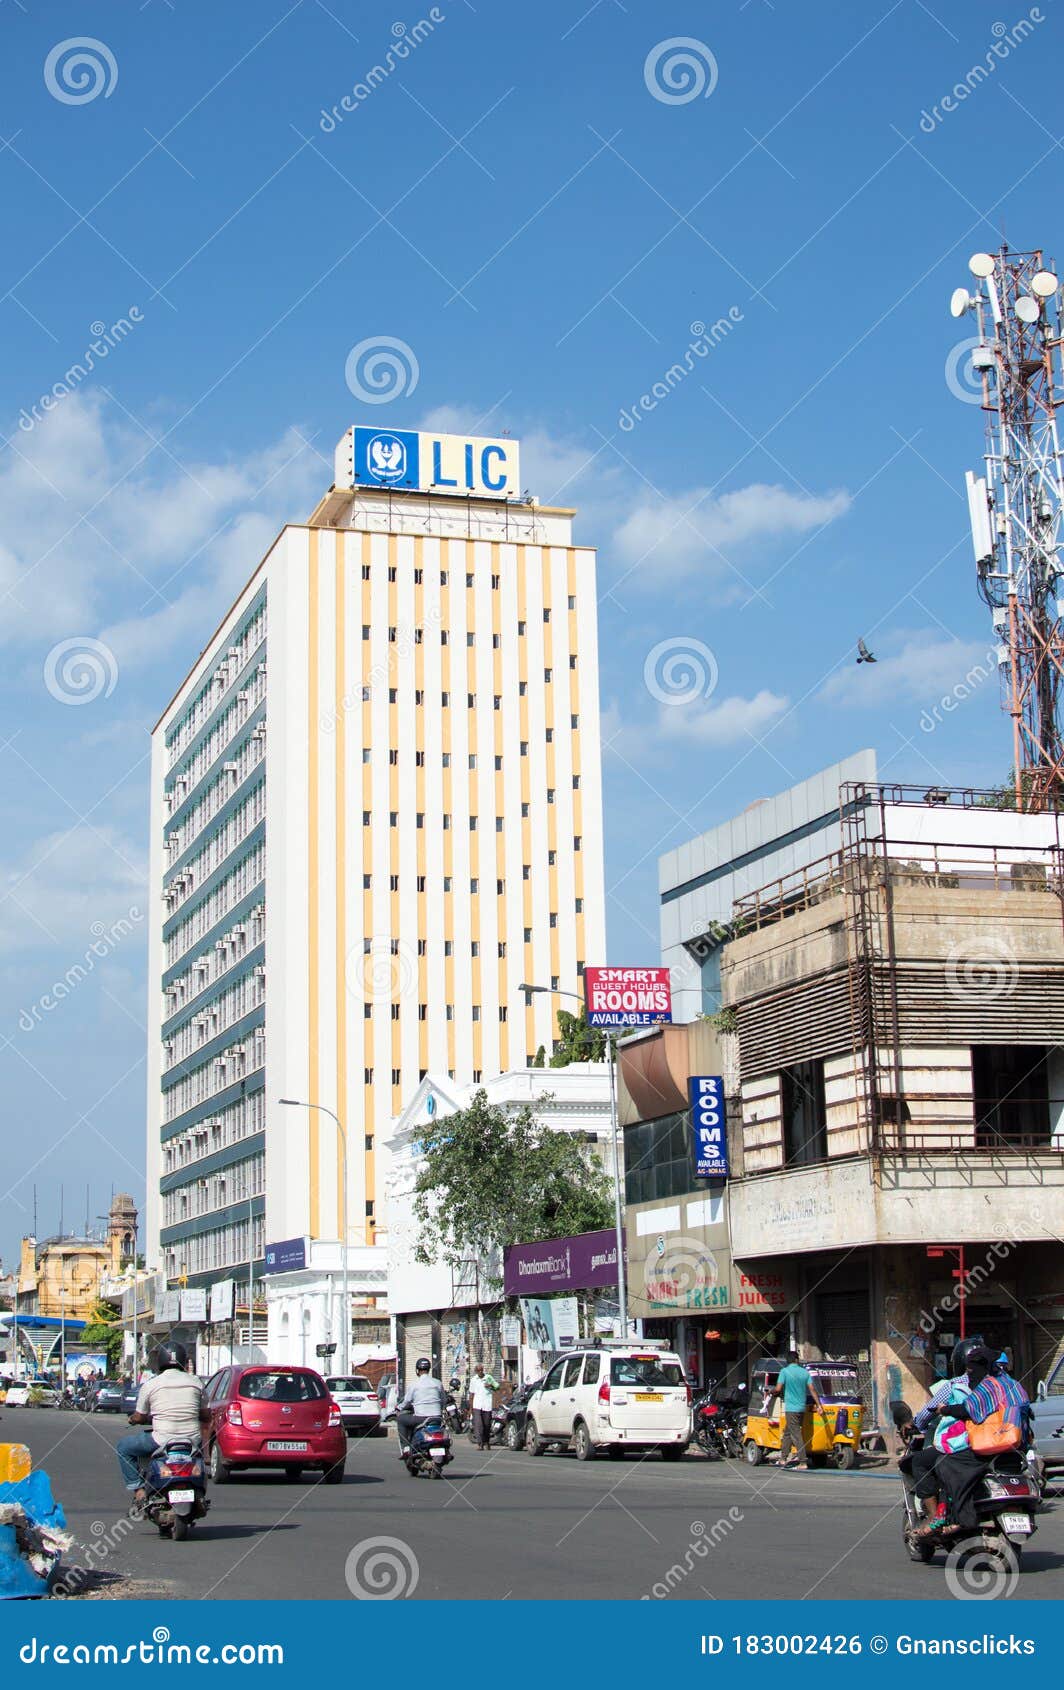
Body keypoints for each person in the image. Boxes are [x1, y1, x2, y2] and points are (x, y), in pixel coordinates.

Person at [905, 1336, 985, 1527]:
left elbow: (926, 1413)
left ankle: (934, 1516)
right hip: (995, 1443)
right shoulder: (996, 1384)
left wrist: (919, 1424)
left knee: (919, 1462)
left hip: (962, 1444)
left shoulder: (953, 1385)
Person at [115, 1342, 209, 1503]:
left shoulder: (151, 1384)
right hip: (192, 1441)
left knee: (123, 1447)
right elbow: (206, 1415)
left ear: (159, 1362)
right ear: (184, 1361)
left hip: (161, 1440)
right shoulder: (196, 1383)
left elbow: (140, 1416)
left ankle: (138, 1489)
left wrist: (132, 1419)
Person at [774, 1349, 822, 1471]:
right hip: (802, 1408)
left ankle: (803, 1461)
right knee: (787, 1432)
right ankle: (783, 1458)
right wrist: (819, 1405)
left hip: (791, 1408)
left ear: (788, 1361)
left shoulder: (784, 1371)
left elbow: (778, 1389)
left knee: (795, 1434)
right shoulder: (805, 1372)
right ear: (796, 1360)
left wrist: (771, 1392)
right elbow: (812, 1389)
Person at [396, 1357, 449, 1456]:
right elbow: (443, 1400)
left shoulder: (414, 1384)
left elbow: (407, 1401)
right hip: (437, 1418)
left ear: (417, 1370)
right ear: (429, 1369)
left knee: (401, 1419)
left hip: (421, 1418)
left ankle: (406, 1448)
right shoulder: (438, 1383)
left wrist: (398, 1408)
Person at [469, 1363, 498, 1451]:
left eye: (481, 1370)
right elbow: (471, 1394)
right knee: (479, 1425)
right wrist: (471, 1408)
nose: (480, 1372)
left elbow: (497, 1387)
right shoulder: (474, 1380)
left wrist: (490, 1386)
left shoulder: (488, 1377)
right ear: (476, 1371)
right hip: (477, 1405)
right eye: (478, 1370)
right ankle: (480, 1443)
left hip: (487, 1405)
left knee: (487, 1425)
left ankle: (487, 1442)